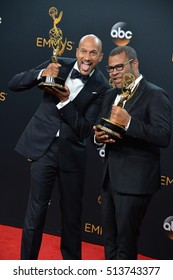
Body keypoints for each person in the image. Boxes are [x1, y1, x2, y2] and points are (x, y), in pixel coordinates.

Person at [8, 34, 110, 260]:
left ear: (100, 57)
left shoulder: (102, 86)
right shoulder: (56, 65)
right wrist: (40, 74)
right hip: (43, 149)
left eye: (93, 53)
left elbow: (84, 129)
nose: (87, 57)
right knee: (36, 212)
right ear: (76, 52)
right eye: (83, 51)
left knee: (72, 217)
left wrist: (65, 100)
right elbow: (14, 83)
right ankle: (26, 268)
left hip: (72, 155)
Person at [93, 45, 172, 260]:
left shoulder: (155, 95)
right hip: (109, 179)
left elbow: (163, 136)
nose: (114, 72)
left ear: (134, 64)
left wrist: (129, 123)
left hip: (136, 183)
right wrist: (97, 137)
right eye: (110, 69)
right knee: (109, 241)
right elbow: (101, 128)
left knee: (126, 245)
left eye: (119, 67)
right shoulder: (110, 95)